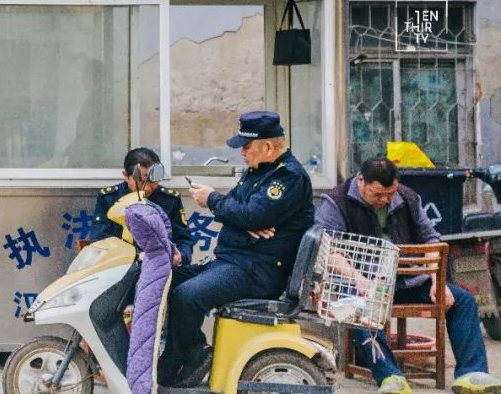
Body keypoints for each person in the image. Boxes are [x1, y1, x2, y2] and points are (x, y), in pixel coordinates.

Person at [315, 157, 501, 394]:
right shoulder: (336, 201)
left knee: (462, 301)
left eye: (389, 194)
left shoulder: (407, 197)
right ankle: (390, 376)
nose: (384, 200)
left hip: (410, 280)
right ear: (360, 181)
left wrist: (438, 280)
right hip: (367, 286)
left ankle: (471, 373)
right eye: (377, 194)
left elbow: (431, 238)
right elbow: (329, 250)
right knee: (358, 309)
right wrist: (359, 281)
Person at [158, 110, 314, 387]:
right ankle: (173, 358)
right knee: (166, 280)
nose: (242, 152)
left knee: (187, 296)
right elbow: (243, 213)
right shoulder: (258, 172)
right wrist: (242, 219)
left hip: (256, 270)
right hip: (233, 261)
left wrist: (214, 200)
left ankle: (192, 356)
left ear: (267, 147)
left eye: (246, 146)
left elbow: (251, 214)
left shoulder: (288, 178)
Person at [89, 147, 195, 375]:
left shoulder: (169, 200)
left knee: (184, 297)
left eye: (153, 181)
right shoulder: (109, 198)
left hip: (160, 274)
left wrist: (180, 256)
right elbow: (100, 239)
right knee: (102, 309)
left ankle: (170, 363)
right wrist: (135, 256)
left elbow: (185, 240)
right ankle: (120, 364)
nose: (148, 187)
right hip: (121, 273)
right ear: (125, 176)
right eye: (141, 181)